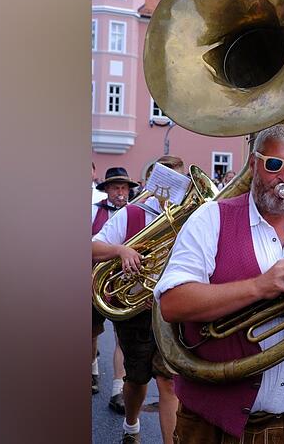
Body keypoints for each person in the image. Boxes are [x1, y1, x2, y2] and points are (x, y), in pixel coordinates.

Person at [155, 124, 284, 444]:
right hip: (214, 423)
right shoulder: (211, 218)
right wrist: (260, 286)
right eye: (274, 164)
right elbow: (171, 303)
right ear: (253, 165)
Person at [93, 157, 185, 444]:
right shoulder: (131, 214)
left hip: (172, 313)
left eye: (179, 182)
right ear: (152, 182)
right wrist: (121, 250)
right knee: (137, 379)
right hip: (137, 312)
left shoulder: (193, 218)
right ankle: (131, 425)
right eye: (166, 180)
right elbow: (92, 245)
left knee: (169, 382)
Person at [92, 167, 135, 399]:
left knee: (122, 337)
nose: (120, 192)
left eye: (124, 188)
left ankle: (118, 388)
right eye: (116, 188)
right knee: (92, 332)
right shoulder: (92, 212)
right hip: (94, 281)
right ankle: (93, 369)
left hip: (122, 283)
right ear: (106, 190)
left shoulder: (136, 213)